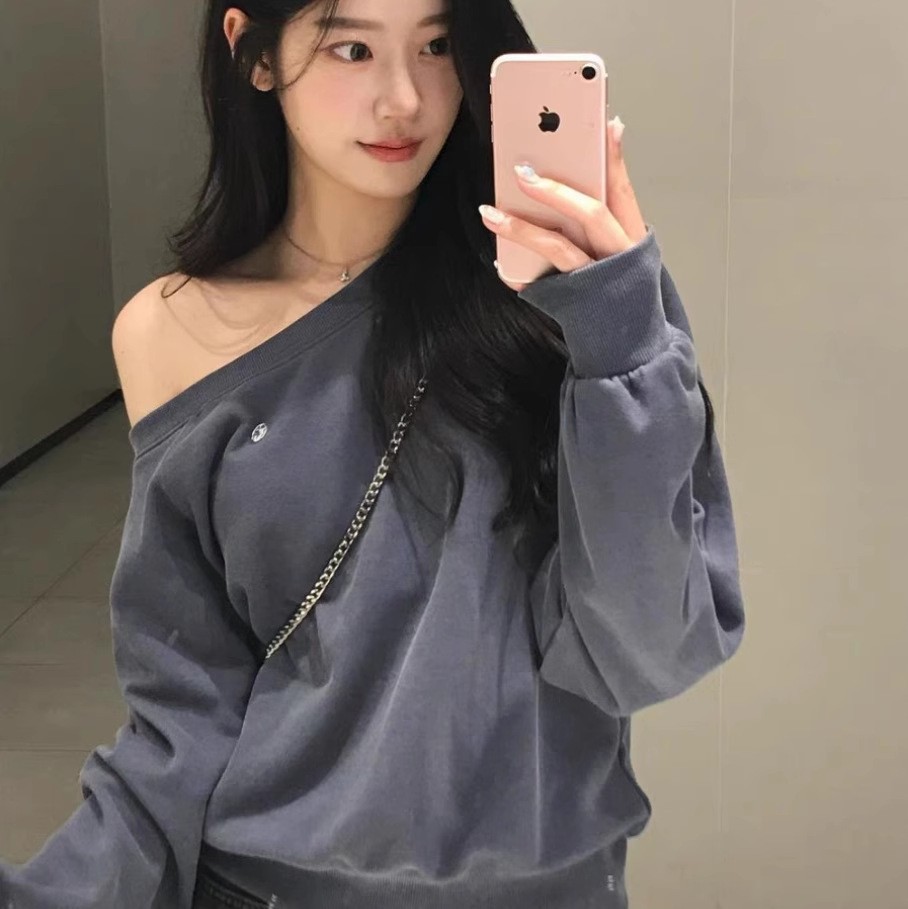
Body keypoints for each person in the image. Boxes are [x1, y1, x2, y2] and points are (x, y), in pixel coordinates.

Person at [0, 0, 746, 906]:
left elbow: (650, 649)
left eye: (437, 45)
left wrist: (618, 327)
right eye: (352, 48)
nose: (405, 99)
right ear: (255, 53)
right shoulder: (169, 332)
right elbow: (185, 709)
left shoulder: (572, 304)